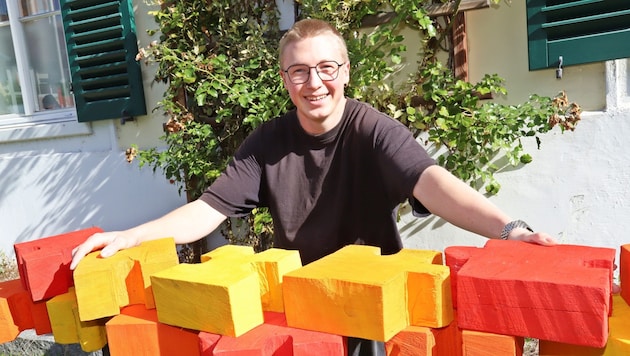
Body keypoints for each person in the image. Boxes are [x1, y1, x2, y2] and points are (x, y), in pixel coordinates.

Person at [70, 19, 556, 355]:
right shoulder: (268, 140)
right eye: (299, 71)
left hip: (372, 303)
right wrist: (130, 236)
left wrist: (507, 227)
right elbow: (208, 209)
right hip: (301, 302)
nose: (314, 82)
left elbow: (432, 183)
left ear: (345, 72)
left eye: (326, 68)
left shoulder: (375, 131)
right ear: (285, 80)